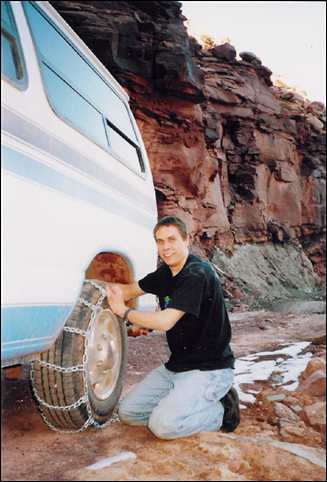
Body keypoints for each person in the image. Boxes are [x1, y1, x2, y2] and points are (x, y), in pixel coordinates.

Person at [106, 215, 240, 440]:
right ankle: (183, 403)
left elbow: (165, 321)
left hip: (209, 369)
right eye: (160, 241)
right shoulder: (166, 273)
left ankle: (221, 409)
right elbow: (129, 290)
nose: (165, 248)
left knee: (163, 427)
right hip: (176, 367)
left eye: (171, 239)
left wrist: (124, 312)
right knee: (128, 412)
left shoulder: (197, 274)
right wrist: (97, 289)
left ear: (186, 240)